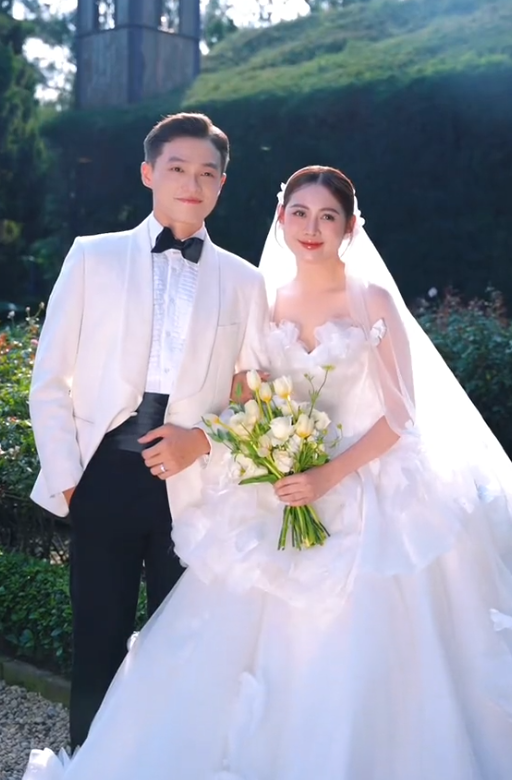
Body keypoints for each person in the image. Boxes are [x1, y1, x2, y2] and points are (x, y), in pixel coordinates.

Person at [25, 166, 512, 779]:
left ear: (350, 228)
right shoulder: (266, 297)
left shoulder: (372, 299)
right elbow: (247, 391)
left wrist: (328, 476)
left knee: (357, 644)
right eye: (300, 213)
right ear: (281, 219)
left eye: (328, 217)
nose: (312, 228)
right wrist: (259, 446)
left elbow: (400, 417)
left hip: (363, 485)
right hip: (281, 481)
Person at [27, 112, 268, 751]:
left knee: (184, 648)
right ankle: (89, 761)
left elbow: (257, 396)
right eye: (177, 168)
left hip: (194, 489)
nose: (192, 183)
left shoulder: (246, 282)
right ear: (148, 173)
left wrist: (205, 440)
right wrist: (71, 483)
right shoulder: (93, 257)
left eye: (207, 173)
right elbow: (49, 380)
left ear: (222, 184)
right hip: (101, 477)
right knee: (98, 641)